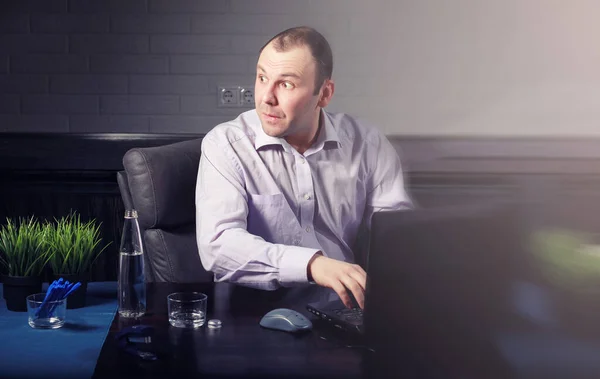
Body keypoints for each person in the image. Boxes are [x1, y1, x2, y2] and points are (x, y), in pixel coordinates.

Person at [196, 26, 412, 309]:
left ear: (324, 94)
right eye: (262, 78)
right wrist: (313, 264)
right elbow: (219, 246)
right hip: (249, 321)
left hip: (344, 312)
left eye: (286, 84)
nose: (266, 98)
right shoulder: (225, 144)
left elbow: (397, 234)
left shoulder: (367, 143)